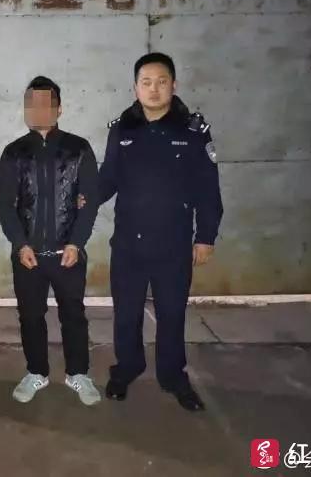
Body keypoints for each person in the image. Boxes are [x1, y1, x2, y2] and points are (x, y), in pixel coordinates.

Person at [99, 52, 223, 411]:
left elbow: (207, 187)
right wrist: (79, 199)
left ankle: (173, 376)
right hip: (128, 244)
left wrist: (206, 236)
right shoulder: (122, 129)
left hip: (174, 244)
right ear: (135, 88)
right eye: (146, 82)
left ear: (174, 85)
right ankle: (126, 368)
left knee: (171, 315)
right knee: (126, 314)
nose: (154, 89)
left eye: (161, 82)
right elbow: (108, 179)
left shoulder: (193, 131)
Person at [0, 76, 101, 406]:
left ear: (59, 109)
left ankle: (78, 373)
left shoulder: (78, 149)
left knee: (73, 314)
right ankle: (36, 372)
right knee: (30, 316)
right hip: (29, 255)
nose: (38, 110)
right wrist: (19, 244)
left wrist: (76, 243)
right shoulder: (14, 153)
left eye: (45, 103)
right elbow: (6, 205)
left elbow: (90, 200)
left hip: (68, 253)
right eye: (32, 104)